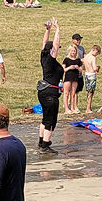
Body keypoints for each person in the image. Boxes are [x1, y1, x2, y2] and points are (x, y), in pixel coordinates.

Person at [36, 19, 65, 152]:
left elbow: (44, 43)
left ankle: (42, 141)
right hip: (50, 93)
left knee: (45, 117)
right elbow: (55, 44)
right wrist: (57, 29)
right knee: (51, 119)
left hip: (43, 91)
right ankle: (46, 144)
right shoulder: (50, 60)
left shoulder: (43, 56)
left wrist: (47, 30)